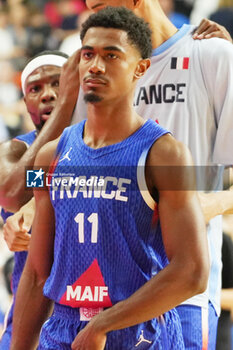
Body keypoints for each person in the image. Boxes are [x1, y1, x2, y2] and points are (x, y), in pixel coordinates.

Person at [10, 7, 209, 349]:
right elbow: (36, 274)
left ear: (140, 68)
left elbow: (192, 271)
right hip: (64, 327)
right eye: (88, 54)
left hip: (138, 328)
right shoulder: (50, 155)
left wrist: (102, 324)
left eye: (111, 55)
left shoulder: (166, 154)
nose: (96, 66)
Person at [69, 0, 233, 349]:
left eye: (99, 4)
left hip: (180, 292)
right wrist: (29, 203)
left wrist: (206, 201)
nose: (92, 11)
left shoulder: (215, 55)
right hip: (95, 294)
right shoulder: (89, 73)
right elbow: (50, 175)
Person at [0, 49, 81, 349]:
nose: (48, 95)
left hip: (90, 308)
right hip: (31, 309)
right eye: (36, 89)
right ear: (25, 103)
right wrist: (64, 106)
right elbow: (14, 192)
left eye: (58, 83)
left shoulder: (104, 145)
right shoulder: (13, 151)